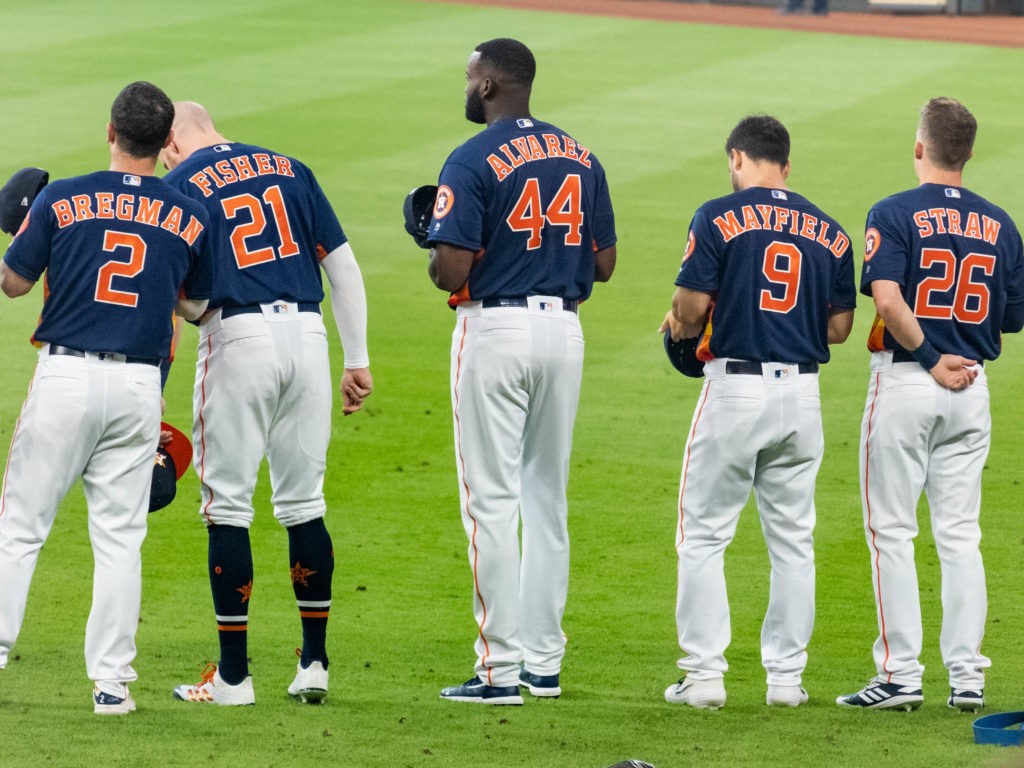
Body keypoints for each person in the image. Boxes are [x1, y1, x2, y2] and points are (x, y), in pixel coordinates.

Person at [0, 81, 212, 715]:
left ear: (110, 133)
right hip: (139, 387)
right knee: (120, 537)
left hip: (65, 379)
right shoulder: (190, 212)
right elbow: (196, 306)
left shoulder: (62, 198)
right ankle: (113, 684)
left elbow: (13, 284)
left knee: (20, 526)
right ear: (165, 141)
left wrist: (13, 226)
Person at [424, 38, 616, 705]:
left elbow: (451, 269)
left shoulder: (471, 157)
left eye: (469, 75)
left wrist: (432, 242)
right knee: (546, 499)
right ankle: (542, 663)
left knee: (491, 502)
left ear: (488, 86)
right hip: (564, 332)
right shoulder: (580, 155)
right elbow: (605, 263)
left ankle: (499, 671)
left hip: (497, 331)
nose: (466, 84)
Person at [160, 102, 373, 706]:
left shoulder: (177, 183)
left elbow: (188, 301)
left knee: (227, 507)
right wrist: (355, 358)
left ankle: (233, 679)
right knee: (305, 503)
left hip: (238, 340)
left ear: (173, 140)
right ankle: (315, 663)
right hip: (307, 338)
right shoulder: (291, 168)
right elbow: (343, 266)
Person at [661, 115, 856, 709]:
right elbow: (841, 328)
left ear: (736, 158)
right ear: (788, 166)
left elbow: (691, 306)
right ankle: (786, 682)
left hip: (736, 392)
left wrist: (678, 323)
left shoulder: (717, 214)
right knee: (794, 541)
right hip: (802, 397)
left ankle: (703, 678)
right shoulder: (832, 231)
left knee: (704, 538)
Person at [837, 97, 1024, 712]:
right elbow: (1013, 318)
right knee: (960, 536)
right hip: (972, 389)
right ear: (968, 153)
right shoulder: (1002, 224)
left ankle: (900, 677)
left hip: (911, 382)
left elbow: (888, 301)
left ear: (920, 147)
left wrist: (927, 357)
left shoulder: (892, 212)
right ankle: (968, 677)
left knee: (891, 531)